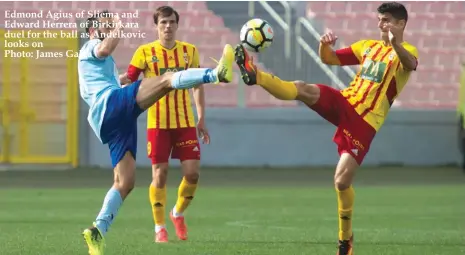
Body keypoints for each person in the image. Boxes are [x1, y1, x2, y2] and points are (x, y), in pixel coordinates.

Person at [234, 2, 418, 255]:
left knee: (341, 182)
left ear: (400, 24)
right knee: (303, 88)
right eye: (379, 20)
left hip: (366, 122)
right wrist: (324, 44)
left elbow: (410, 64)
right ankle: (257, 76)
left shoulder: (406, 51)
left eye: (386, 20)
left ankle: (345, 238)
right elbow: (329, 59)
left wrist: (395, 43)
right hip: (346, 101)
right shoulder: (367, 46)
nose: (381, 25)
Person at [78, 10, 234, 255]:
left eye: (110, 25)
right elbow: (105, 49)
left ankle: (98, 230)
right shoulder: (90, 46)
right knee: (166, 79)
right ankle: (215, 74)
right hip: (110, 105)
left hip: (112, 118)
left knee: (125, 182)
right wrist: (118, 26)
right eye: (104, 26)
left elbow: (110, 76)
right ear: (91, 31)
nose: (108, 29)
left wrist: (121, 80)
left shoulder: (98, 63)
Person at [123, 6, 207, 243]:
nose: (167, 26)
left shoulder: (189, 52)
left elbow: (197, 85)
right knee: (160, 175)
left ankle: (177, 213)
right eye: (163, 22)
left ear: (177, 25)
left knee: (192, 174)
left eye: (171, 22)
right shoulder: (144, 52)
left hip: (185, 122)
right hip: (157, 123)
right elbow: (130, 80)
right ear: (156, 26)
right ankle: (159, 226)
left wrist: (201, 118)